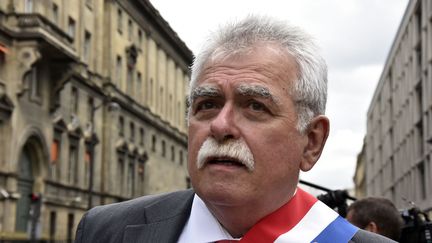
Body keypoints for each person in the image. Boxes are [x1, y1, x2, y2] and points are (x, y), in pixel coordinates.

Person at [75, 15, 396, 243]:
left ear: (311, 142)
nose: (219, 125)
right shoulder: (105, 230)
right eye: (207, 104)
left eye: (255, 106)